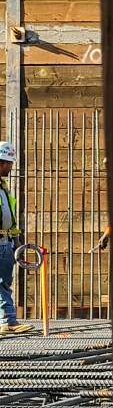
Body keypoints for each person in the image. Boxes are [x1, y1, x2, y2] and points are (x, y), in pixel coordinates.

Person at [0, 142, 27, 336]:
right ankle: (8, 320)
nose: (11, 167)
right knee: (1, 282)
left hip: (5, 241)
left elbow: (9, 217)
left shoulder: (3, 187)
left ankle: (7, 320)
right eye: (9, 163)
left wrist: (16, 242)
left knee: (4, 282)